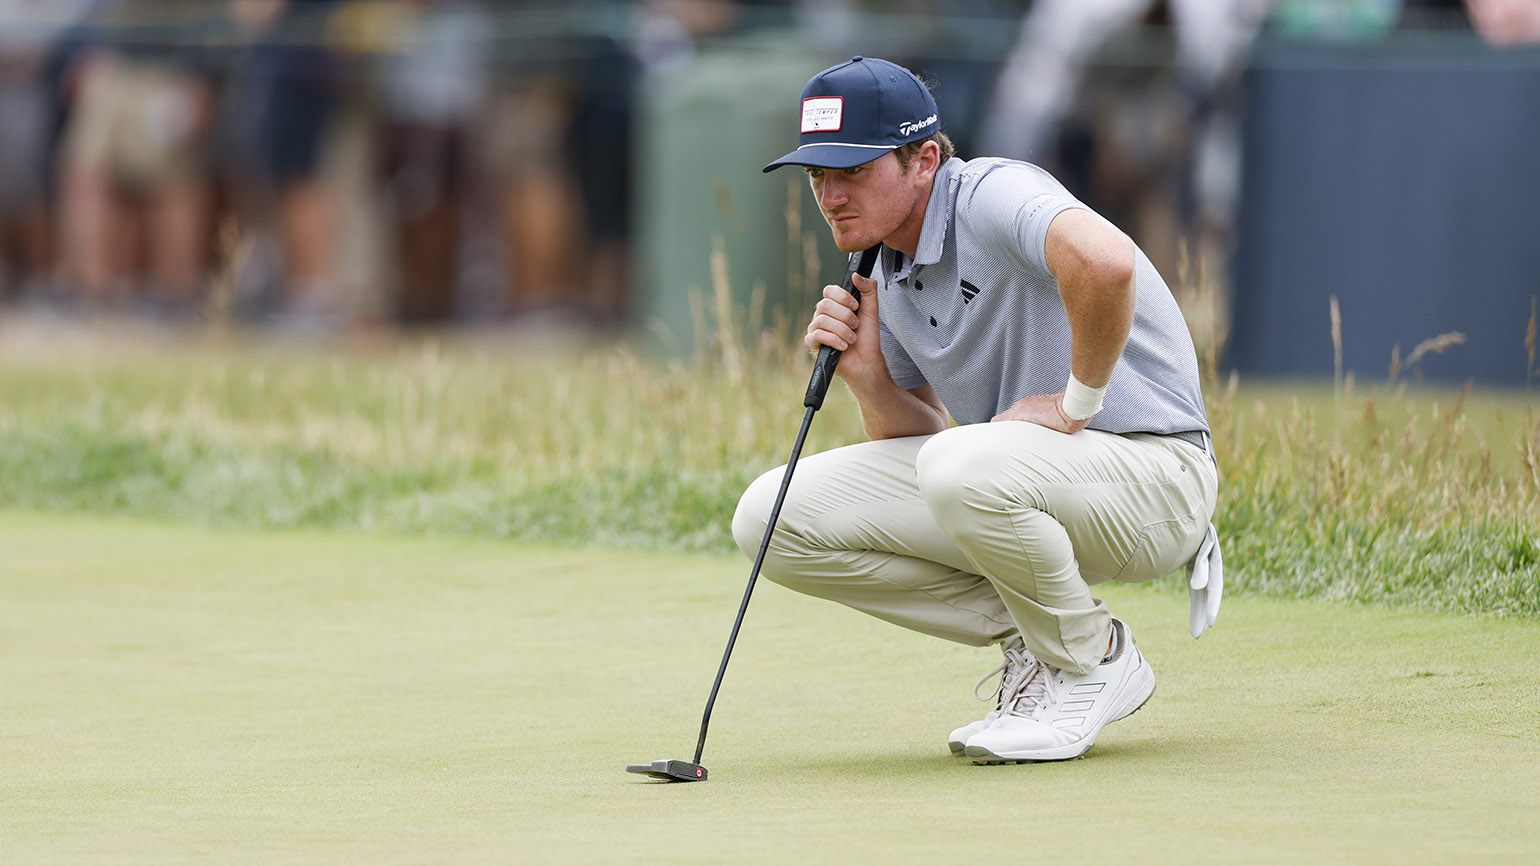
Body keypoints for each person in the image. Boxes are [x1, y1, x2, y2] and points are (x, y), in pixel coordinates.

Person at [735, 56, 1224, 764]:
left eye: (852, 171)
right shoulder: (885, 265)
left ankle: (1090, 663)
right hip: (1037, 485)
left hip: (1159, 477)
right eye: (817, 176)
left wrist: (1073, 403)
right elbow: (929, 444)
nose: (831, 195)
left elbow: (1107, 262)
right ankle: (1044, 639)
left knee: (959, 463)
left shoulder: (992, 193)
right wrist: (871, 380)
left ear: (923, 159)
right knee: (769, 517)